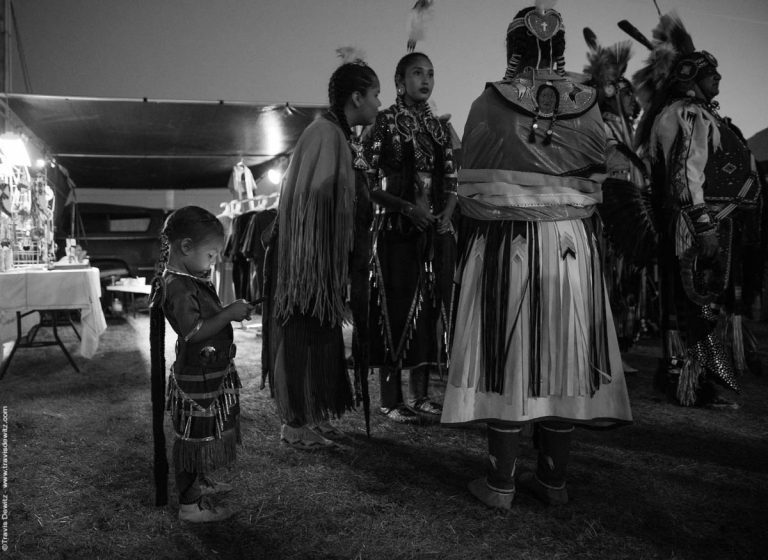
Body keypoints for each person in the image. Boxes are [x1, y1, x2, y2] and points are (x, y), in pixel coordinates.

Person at [440, 1, 632, 510]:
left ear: (513, 48)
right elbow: (599, 177)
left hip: (509, 242)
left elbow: (469, 190)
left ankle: (500, 485)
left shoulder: (490, 102)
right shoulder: (589, 104)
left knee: (508, 354)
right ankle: (553, 481)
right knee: (564, 355)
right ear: (559, 47)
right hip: (571, 246)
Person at [630, 13, 763, 407]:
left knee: (699, 304)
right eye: (710, 73)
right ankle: (689, 383)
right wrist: (703, 226)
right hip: (697, 225)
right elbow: (686, 175)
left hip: (708, 222)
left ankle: (691, 379)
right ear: (691, 78)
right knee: (694, 305)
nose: (718, 78)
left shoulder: (697, 113)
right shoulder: (685, 114)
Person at [262, 54, 381, 449]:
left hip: (323, 262)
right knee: (302, 331)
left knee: (320, 335)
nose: (379, 103)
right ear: (357, 97)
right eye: (376, 94)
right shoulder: (324, 133)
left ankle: (313, 413)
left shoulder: (339, 134)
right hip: (307, 261)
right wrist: (319, 255)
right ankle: (295, 422)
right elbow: (311, 195)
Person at [364, 51, 458, 423]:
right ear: (399, 82)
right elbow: (368, 181)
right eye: (418, 73)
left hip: (433, 231)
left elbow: (452, 179)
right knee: (394, 308)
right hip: (394, 231)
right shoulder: (383, 123)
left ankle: (420, 396)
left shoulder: (439, 128)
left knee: (430, 311)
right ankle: (391, 399)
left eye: (431, 74)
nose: (426, 80)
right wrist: (406, 208)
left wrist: (446, 212)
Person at [149, 205, 254, 522]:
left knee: (203, 432)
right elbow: (193, 332)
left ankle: (199, 483)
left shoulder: (187, 278)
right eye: (210, 255)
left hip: (209, 373)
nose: (213, 261)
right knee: (193, 438)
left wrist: (229, 311)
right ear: (185, 246)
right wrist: (229, 313)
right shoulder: (178, 286)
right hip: (196, 378)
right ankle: (190, 506)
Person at [582, 31, 652, 368]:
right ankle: (603, 351)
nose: (632, 102)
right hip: (608, 216)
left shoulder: (626, 130)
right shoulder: (601, 125)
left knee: (625, 282)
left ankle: (616, 349)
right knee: (608, 278)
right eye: (626, 95)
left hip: (629, 214)